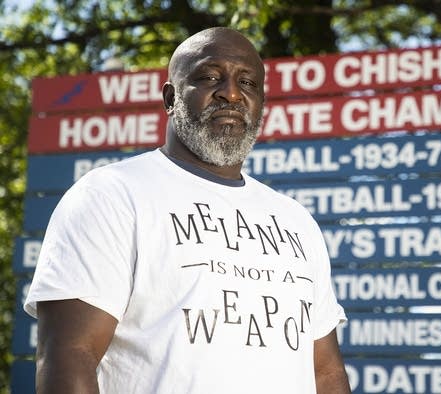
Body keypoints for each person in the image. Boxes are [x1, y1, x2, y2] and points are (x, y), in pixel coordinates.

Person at [24, 27, 351, 394]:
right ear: (170, 98)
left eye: (247, 82)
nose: (231, 93)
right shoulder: (111, 195)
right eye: (210, 77)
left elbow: (326, 372)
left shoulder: (296, 221)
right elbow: (70, 355)